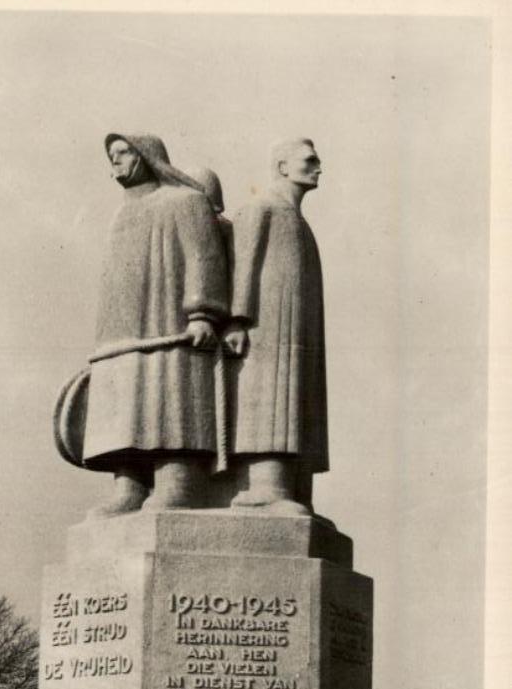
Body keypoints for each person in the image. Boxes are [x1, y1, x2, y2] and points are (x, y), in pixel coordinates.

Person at [82, 134, 230, 515]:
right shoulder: (121, 214)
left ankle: (176, 480)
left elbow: (203, 257)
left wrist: (202, 313)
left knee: (171, 393)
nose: (115, 162)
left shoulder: (187, 202)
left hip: (170, 322)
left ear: (148, 156)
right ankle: (128, 484)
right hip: (123, 332)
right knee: (127, 399)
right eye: (111, 156)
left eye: (124, 153)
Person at [228, 137, 329, 514]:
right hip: (265, 328)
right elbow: (244, 263)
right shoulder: (262, 207)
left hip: (299, 331)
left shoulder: (300, 222)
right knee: (270, 396)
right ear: (283, 166)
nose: (319, 167)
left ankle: (293, 489)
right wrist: (237, 320)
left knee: (300, 396)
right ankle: (265, 488)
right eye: (310, 160)